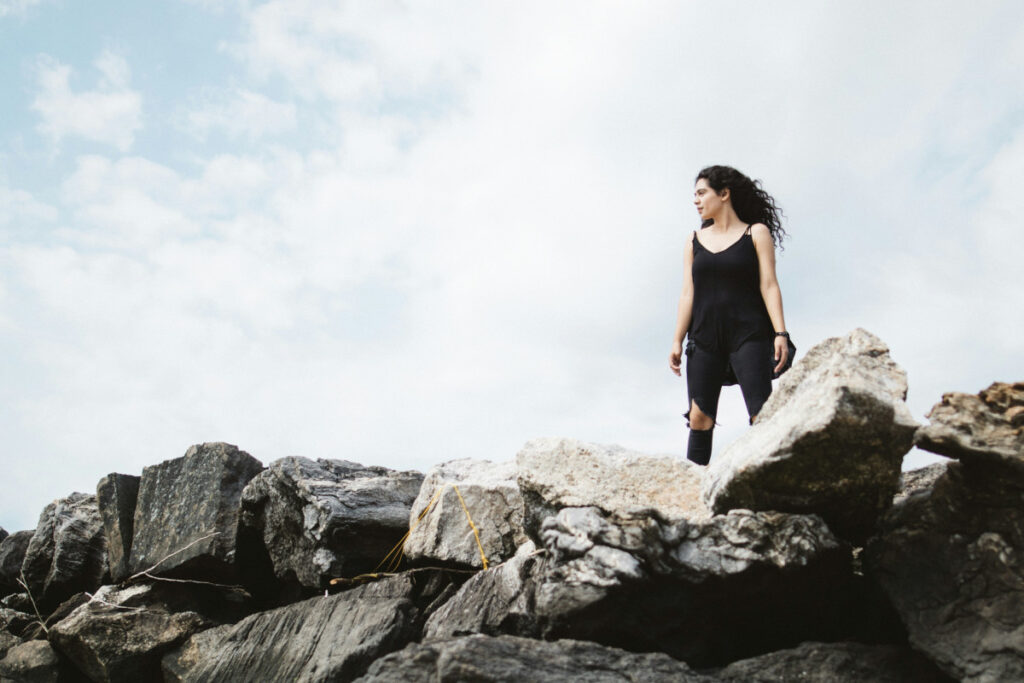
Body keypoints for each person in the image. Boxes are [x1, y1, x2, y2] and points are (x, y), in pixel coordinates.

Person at [669, 165, 789, 466]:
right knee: (698, 417)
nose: (696, 200)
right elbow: (688, 293)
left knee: (762, 413)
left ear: (724, 194)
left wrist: (780, 333)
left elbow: (769, 284)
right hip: (704, 337)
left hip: (749, 334)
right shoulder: (693, 239)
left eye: (701, 193)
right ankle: (694, 497)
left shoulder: (755, 233)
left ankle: (766, 488)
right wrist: (676, 339)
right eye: (694, 195)